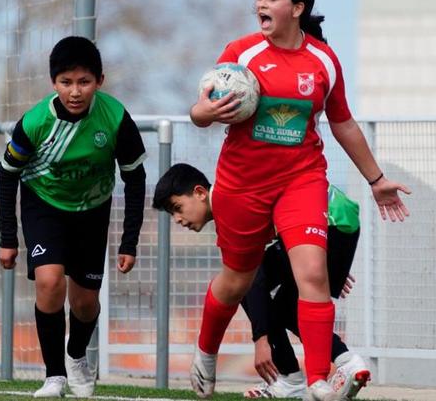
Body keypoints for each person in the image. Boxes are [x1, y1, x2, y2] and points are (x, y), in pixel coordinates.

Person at [186, 0, 410, 401]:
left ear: (298, 7)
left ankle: (317, 381)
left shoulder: (323, 60)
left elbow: (342, 121)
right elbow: (199, 111)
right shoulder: (241, 54)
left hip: (301, 180)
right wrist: (204, 114)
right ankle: (205, 352)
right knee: (236, 280)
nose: (261, 5)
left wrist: (376, 179)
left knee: (312, 275)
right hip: (241, 183)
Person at [0, 36, 147, 398]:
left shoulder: (115, 117)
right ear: (54, 83)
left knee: (84, 303)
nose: (75, 91)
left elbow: (135, 177)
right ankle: (54, 376)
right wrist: (7, 238)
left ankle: (77, 354)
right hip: (44, 204)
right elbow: (7, 174)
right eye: (66, 82)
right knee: (49, 282)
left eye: (84, 82)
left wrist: (129, 241)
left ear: (100, 81)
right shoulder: (35, 122)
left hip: (92, 212)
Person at [152, 163, 370, 399]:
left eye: (177, 208)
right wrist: (323, 258)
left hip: (325, 221)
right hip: (341, 224)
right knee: (286, 308)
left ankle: (290, 377)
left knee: (241, 282)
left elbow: (251, 278)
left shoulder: (229, 204)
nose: (177, 219)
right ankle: (346, 361)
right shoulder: (232, 199)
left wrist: (261, 339)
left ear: (199, 193)